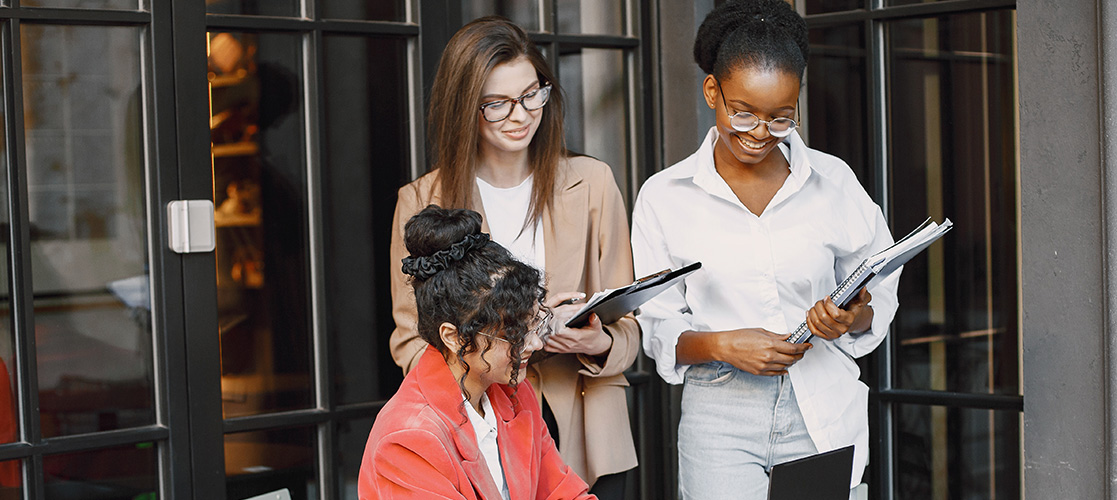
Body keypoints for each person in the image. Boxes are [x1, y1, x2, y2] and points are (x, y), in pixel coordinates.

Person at [630, 1, 901, 499]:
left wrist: (849, 317)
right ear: (712, 90)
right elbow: (658, 324)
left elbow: (877, 293)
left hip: (820, 400)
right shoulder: (665, 196)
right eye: (744, 113)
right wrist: (722, 345)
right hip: (719, 412)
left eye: (781, 119)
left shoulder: (834, 182)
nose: (760, 134)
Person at [388, 16, 639, 496]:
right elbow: (411, 342)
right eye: (497, 105)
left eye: (531, 95)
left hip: (588, 425)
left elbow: (629, 326)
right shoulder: (423, 202)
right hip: (482, 428)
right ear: (465, 107)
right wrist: (512, 345)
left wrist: (598, 344)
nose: (521, 115)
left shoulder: (593, 184)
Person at [360, 206, 595, 500]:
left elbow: (563, 493)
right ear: (454, 337)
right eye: (514, 334)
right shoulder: (409, 438)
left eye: (535, 323)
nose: (534, 344)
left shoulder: (514, 394)